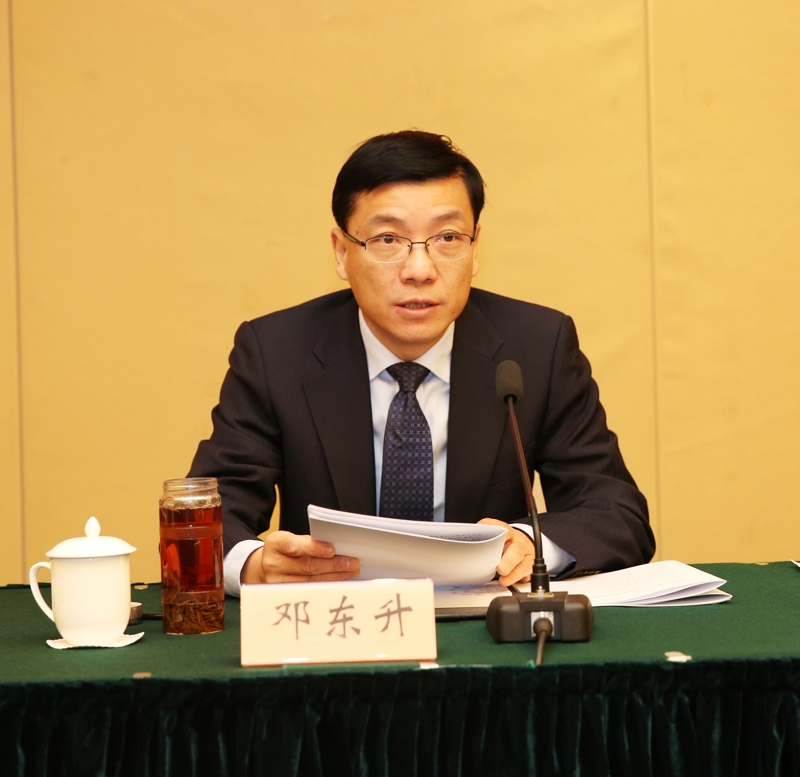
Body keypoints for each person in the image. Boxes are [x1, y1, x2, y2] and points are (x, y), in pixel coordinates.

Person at [188, 130, 655, 595]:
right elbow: (210, 511)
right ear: (341, 252)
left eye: (447, 237)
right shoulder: (276, 352)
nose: (419, 270)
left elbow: (616, 512)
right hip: (336, 620)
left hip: (485, 623)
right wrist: (254, 565)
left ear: (475, 248)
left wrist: (531, 544)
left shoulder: (536, 347)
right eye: (388, 239)